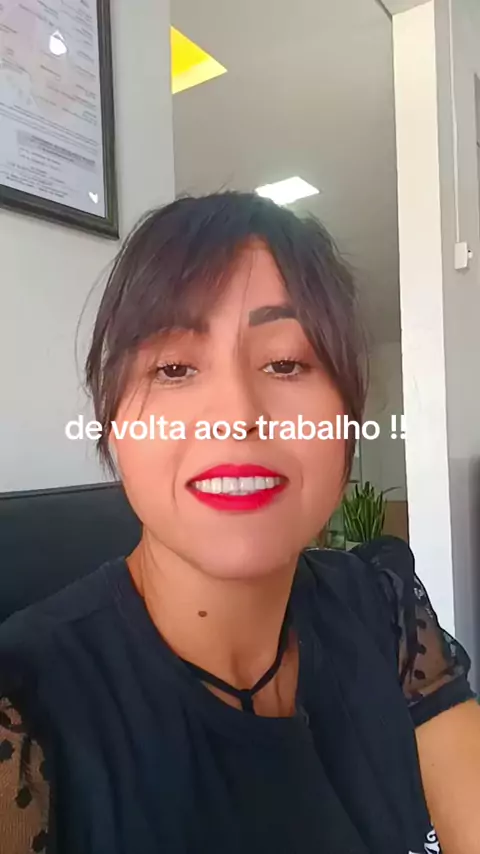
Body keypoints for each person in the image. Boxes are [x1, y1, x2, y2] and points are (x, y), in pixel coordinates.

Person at [0, 192, 479, 854]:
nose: (237, 415)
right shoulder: (22, 714)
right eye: (174, 368)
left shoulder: (382, 609)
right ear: (111, 424)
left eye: (285, 362)